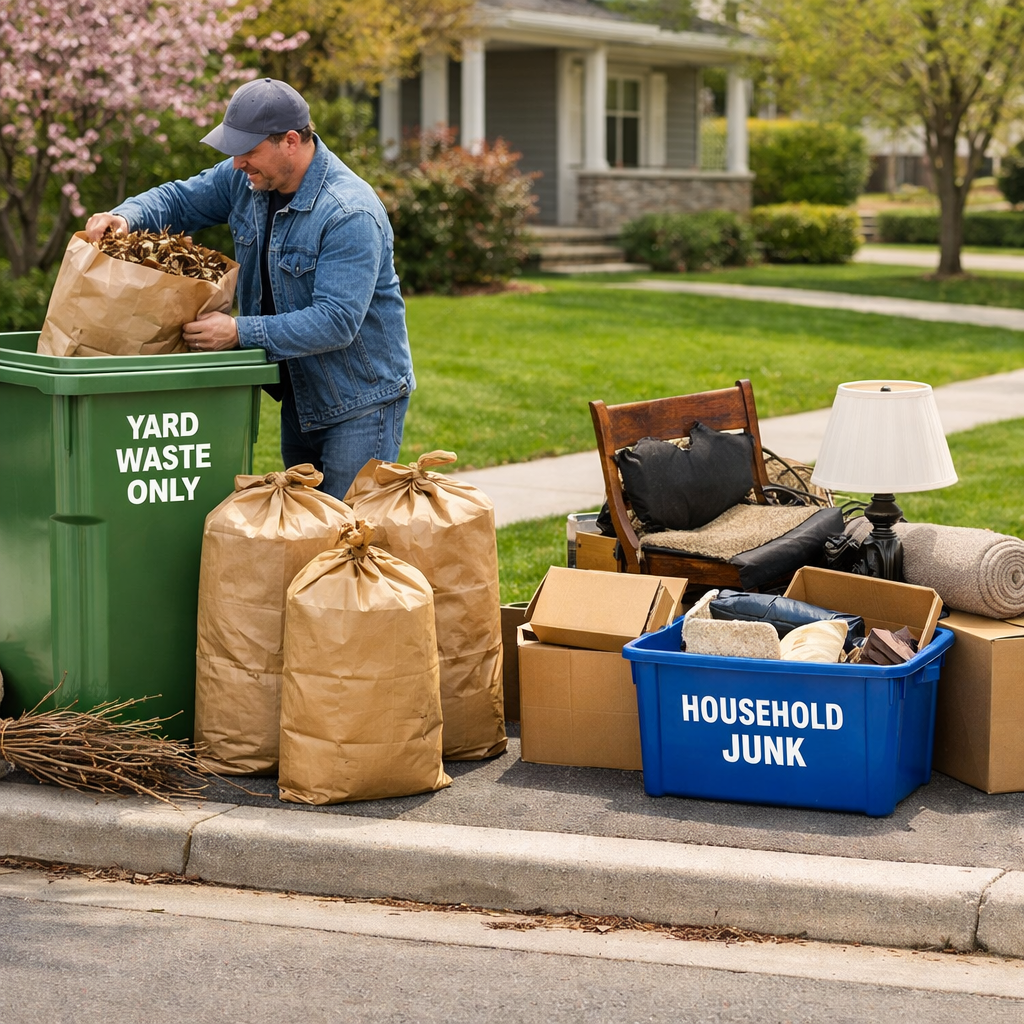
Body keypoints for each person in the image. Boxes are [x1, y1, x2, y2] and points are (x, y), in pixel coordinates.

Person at [85, 77, 414, 501]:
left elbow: (336, 321)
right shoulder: (249, 180)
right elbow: (179, 200)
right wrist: (126, 217)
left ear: (291, 142)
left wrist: (239, 332)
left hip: (362, 402)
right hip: (302, 395)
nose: (238, 163)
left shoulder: (350, 212)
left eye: (249, 151)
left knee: (349, 542)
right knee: (307, 537)